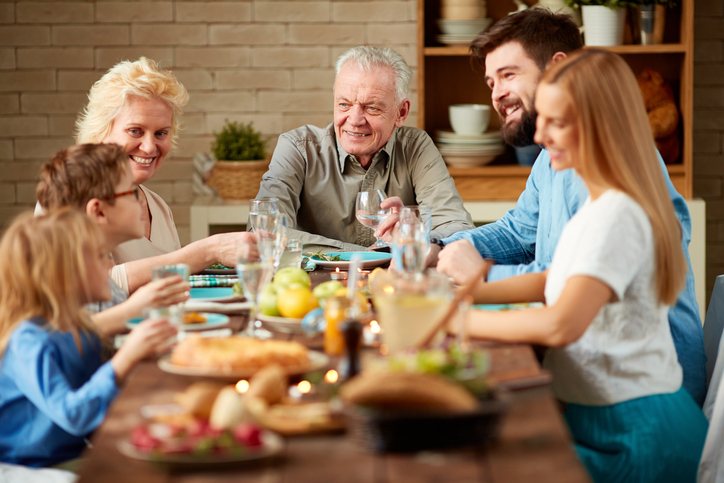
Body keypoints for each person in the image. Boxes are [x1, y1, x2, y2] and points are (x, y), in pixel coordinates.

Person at [433, 8, 707, 406]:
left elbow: (563, 317)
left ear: (559, 69)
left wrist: (460, 309)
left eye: (508, 75)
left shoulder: (614, 195)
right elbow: (538, 253)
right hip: (596, 378)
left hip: (638, 391)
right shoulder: (561, 162)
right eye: (491, 81)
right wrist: (447, 260)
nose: (494, 93)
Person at [458, 48, 707, 483]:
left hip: (638, 439)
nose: (540, 136)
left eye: (557, 123)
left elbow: (560, 325)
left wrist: (456, 321)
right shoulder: (601, 205)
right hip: (610, 420)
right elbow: (559, 280)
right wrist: (472, 291)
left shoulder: (617, 214)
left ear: (599, 125)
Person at [0, 209, 177, 467]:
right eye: (101, 256)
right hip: (31, 467)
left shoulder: (75, 325)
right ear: (63, 276)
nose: (111, 265)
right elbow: (74, 414)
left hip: (71, 454)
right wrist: (125, 359)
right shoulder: (27, 341)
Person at [255, 46, 474, 252]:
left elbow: (458, 228)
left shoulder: (415, 147)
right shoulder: (297, 148)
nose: (355, 120)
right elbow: (264, 233)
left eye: (371, 107)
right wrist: (374, 253)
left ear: (401, 113)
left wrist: (412, 235)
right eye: (344, 105)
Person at [66, 57, 255, 294]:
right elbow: (83, 287)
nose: (149, 147)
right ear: (101, 131)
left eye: (160, 133)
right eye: (135, 131)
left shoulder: (158, 206)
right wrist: (208, 251)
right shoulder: (69, 196)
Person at [36, 143, 190, 336]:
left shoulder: (107, 282)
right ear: (99, 211)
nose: (142, 200)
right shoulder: (62, 282)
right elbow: (56, 345)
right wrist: (132, 310)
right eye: (133, 192)